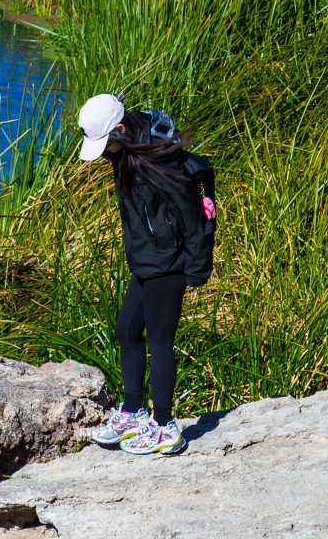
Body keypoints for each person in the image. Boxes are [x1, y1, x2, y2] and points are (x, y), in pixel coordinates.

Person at [77, 93, 216, 457]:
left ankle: (166, 425)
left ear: (120, 129)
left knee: (159, 342)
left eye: (106, 144)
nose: (104, 153)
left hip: (168, 265)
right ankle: (133, 410)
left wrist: (197, 266)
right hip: (144, 262)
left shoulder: (159, 162)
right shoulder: (126, 152)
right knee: (126, 330)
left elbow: (194, 216)